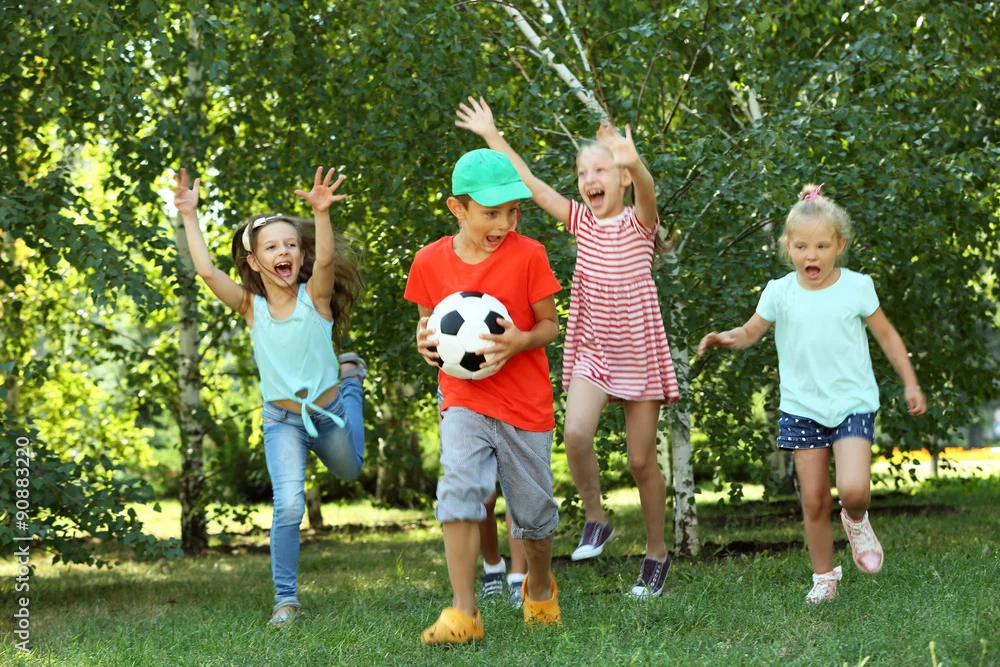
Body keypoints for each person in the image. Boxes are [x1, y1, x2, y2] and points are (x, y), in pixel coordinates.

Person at [456, 97, 678, 598]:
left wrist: (634, 161)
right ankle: (596, 518)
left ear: (622, 178)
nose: (588, 179)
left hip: (638, 351)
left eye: (600, 170)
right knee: (576, 434)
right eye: (582, 173)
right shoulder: (581, 221)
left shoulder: (639, 223)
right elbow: (532, 185)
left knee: (641, 461)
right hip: (593, 348)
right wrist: (492, 134)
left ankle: (657, 552)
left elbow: (647, 191)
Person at [698, 183, 927, 603]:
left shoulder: (857, 286)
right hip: (802, 408)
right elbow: (750, 331)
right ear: (788, 247)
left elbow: (888, 336)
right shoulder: (779, 291)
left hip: (852, 403)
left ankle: (855, 519)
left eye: (822, 246)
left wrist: (910, 382)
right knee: (815, 500)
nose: (812, 255)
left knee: (853, 489)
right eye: (802, 246)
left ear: (840, 246)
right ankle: (824, 578)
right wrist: (728, 337)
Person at [174, 166, 367, 625]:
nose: (284, 252)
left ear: (301, 255)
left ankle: (351, 383)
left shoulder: (315, 298)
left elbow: (326, 262)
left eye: (291, 245)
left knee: (350, 470)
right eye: (272, 247)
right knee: (289, 505)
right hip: (282, 422)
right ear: (254, 261)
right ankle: (286, 600)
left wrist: (321, 213)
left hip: (329, 414)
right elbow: (206, 270)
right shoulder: (251, 307)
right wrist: (189, 216)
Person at [406, 148, 562, 645]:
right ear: (458, 208)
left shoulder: (529, 254)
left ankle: (540, 587)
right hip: (463, 400)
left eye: (512, 211)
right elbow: (428, 325)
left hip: (524, 404)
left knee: (533, 515)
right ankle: (463, 612)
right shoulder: (429, 261)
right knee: (457, 491)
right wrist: (423, 342)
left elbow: (550, 326)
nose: (504, 223)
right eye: (491, 213)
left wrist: (520, 340)